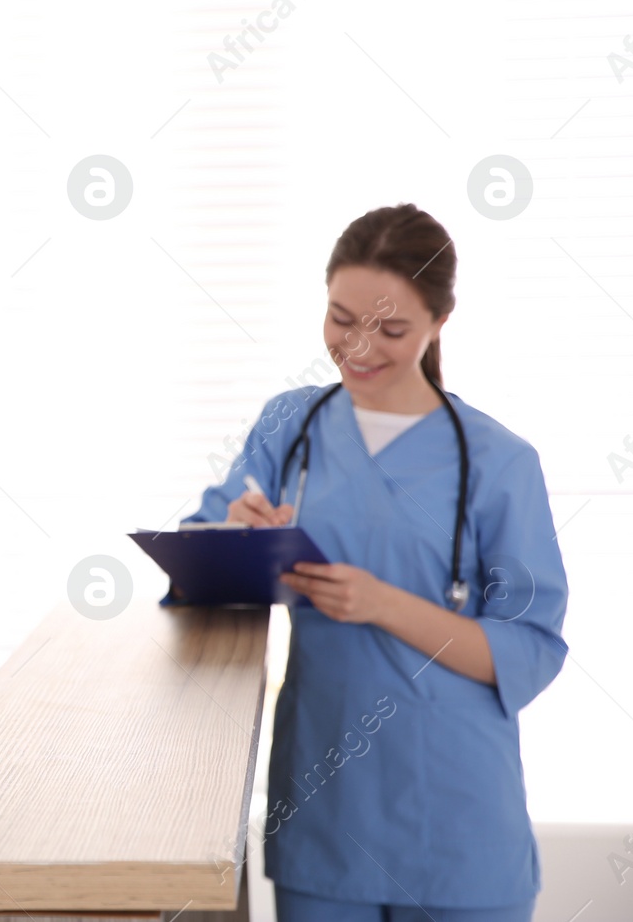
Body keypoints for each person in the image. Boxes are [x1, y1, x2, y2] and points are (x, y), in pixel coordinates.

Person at [180, 204, 568, 921]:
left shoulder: (499, 460)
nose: (358, 345)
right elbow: (198, 559)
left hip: (457, 821)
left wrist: (379, 601)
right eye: (339, 318)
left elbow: (529, 649)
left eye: (390, 329)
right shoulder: (287, 425)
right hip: (327, 809)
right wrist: (235, 532)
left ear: (437, 321)